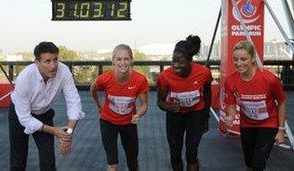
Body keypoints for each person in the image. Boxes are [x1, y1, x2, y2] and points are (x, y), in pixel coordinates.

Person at [9, 41, 85, 171]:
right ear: (36, 62)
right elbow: (25, 119)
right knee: (18, 160)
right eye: (47, 61)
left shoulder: (64, 71)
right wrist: (55, 131)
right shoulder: (24, 78)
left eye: (55, 60)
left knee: (48, 160)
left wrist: (68, 133)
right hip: (20, 114)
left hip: (44, 113)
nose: (53, 65)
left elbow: (74, 102)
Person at [224, 40, 286, 171]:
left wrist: (281, 130)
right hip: (247, 125)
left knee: (258, 164)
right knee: (249, 163)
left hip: (268, 124)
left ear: (252, 59)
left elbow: (281, 102)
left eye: (243, 59)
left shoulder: (269, 79)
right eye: (235, 59)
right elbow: (231, 105)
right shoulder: (231, 81)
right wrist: (230, 116)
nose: (239, 63)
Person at [157, 35, 213, 171]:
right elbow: (159, 102)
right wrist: (169, 106)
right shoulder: (164, 76)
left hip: (196, 114)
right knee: (175, 154)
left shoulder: (203, 73)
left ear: (190, 61)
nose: (176, 66)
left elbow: (207, 93)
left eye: (180, 62)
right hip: (175, 116)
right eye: (173, 61)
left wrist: (206, 118)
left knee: (191, 153)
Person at [90, 44, 149, 171]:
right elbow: (93, 88)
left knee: (132, 163)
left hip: (128, 123)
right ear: (113, 61)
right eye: (119, 59)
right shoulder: (105, 78)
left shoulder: (140, 80)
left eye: (126, 59)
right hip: (108, 122)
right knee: (112, 164)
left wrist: (138, 114)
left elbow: (144, 104)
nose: (123, 62)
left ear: (131, 60)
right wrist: (98, 104)